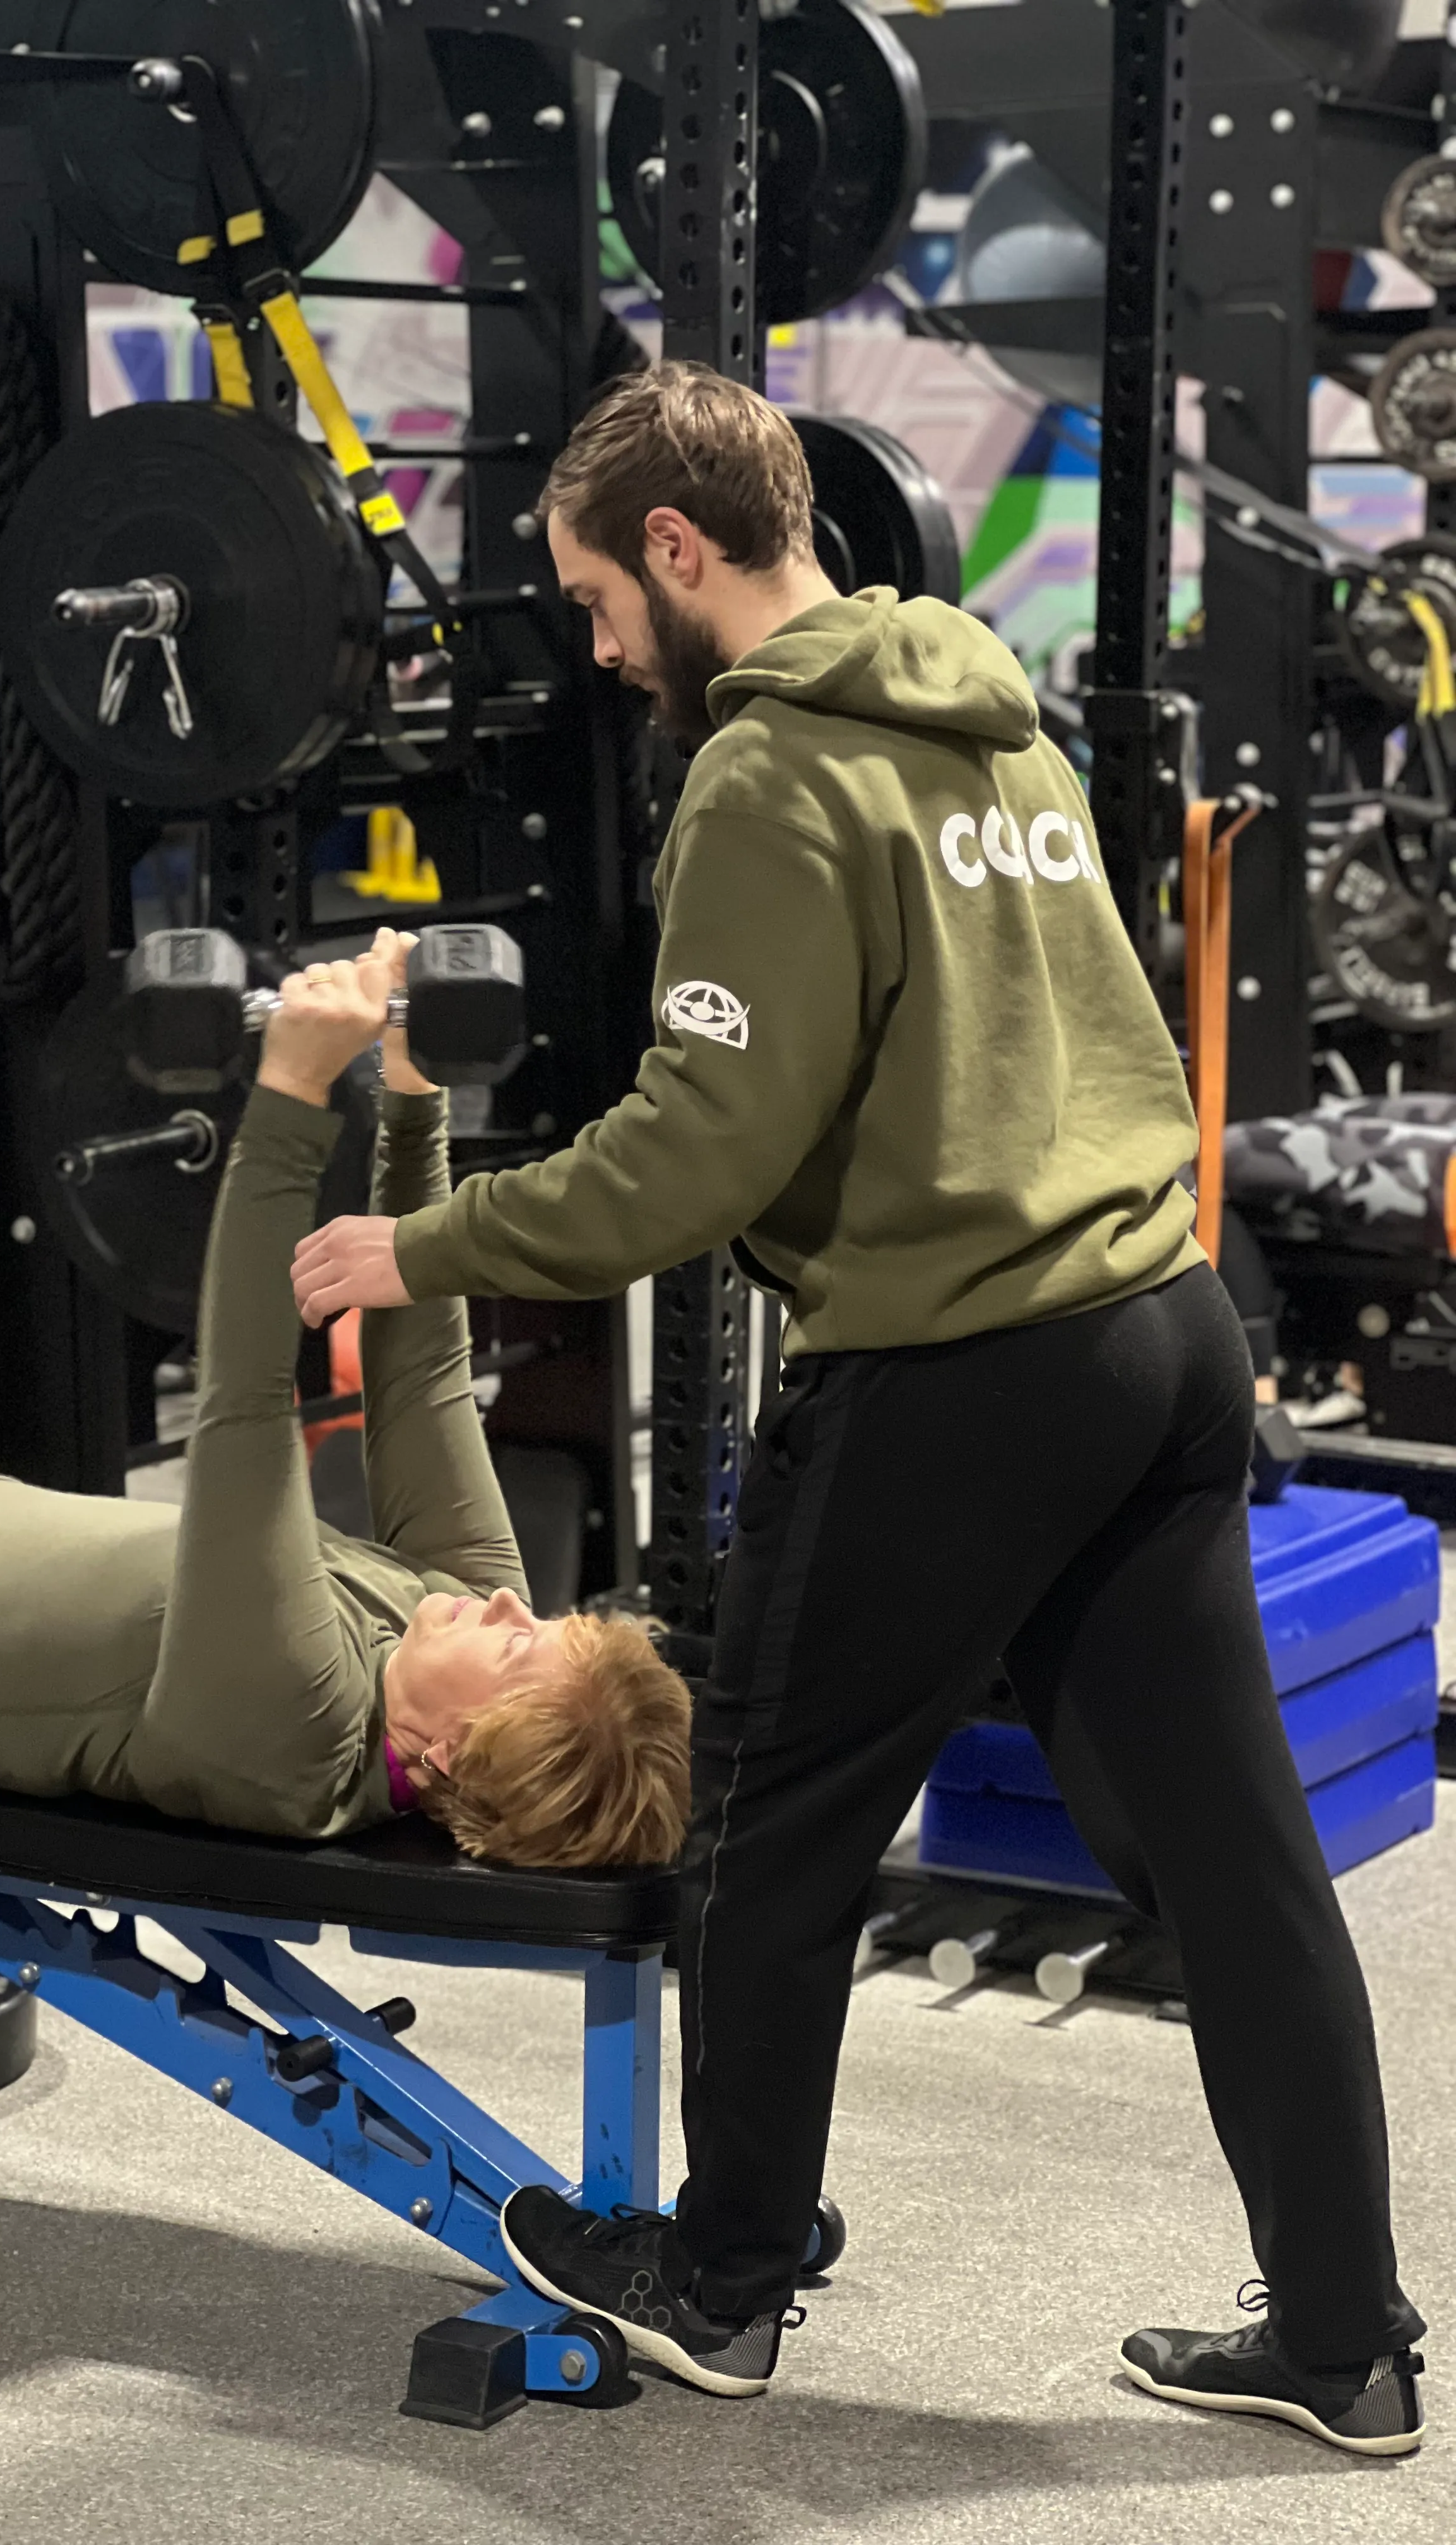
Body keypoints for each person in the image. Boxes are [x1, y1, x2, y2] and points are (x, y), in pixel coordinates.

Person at [289, 364, 1426, 2455]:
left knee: (761, 1822)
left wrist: (416, 1250)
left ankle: (717, 2284)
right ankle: (1346, 2338)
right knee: (1234, 1861)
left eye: (596, 597)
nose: (596, 642)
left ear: (680, 549)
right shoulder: (980, 708)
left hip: (958, 1360)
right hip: (1155, 1322)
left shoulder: (766, 772)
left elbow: (693, 1154)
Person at [0, 932, 692, 1967]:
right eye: (540, 1622)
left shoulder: (293, 1731)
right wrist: (409, 1091)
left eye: (515, 1649)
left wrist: (291, 1092)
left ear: (442, 1759)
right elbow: (422, 1378)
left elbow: (242, 1405)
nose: (507, 1608)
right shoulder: (454, 1627)